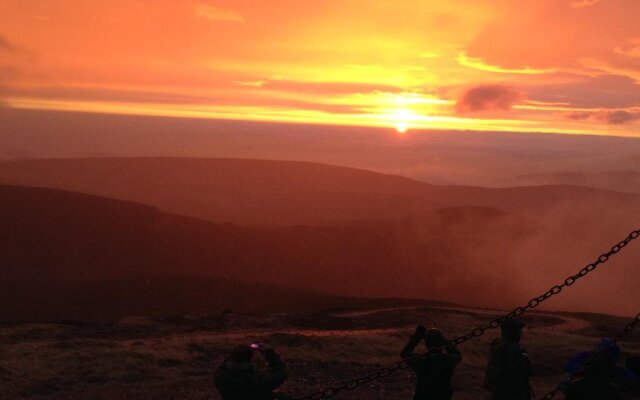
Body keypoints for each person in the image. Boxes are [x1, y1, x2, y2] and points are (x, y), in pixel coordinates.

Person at [401, 325, 462, 400]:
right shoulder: (447, 360)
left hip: (422, 396)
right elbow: (457, 355)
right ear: (440, 341)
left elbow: (405, 354)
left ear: (427, 343)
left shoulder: (423, 360)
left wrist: (416, 337)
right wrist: (444, 342)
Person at [563, 339, 637, 400]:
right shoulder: (586, 356)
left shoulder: (612, 367)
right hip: (585, 381)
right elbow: (569, 365)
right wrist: (582, 369)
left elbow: (628, 376)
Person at [215, 342, 289, 400]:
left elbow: (223, 365)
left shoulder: (221, 376)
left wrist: (238, 351)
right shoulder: (258, 380)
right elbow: (281, 372)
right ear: (251, 359)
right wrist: (269, 352)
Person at [484, 318, 532, 400]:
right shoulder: (513, 349)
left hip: (498, 390)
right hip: (511, 392)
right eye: (519, 330)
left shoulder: (497, 344)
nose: (521, 333)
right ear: (514, 332)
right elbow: (523, 371)